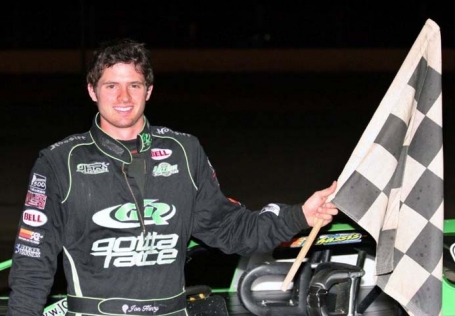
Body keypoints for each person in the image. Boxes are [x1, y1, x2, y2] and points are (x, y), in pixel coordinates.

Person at [6, 38, 339, 316]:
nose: (123, 98)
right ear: (92, 90)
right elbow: (33, 263)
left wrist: (300, 215)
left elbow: (230, 229)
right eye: (111, 86)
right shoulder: (59, 161)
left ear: (148, 90)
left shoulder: (184, 150)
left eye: (134, 85)